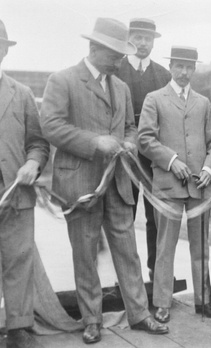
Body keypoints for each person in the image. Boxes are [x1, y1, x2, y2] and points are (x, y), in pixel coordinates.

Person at [40, 18, 168, 344]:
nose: (120, 60)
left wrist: (130, 141)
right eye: (114, 54)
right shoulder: (63, 80)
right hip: (81, 185)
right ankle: (91, 320)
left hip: (118, 184)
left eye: (121, 55)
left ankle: (140, 314)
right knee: (84, 255)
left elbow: (129, 127)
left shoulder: (121, 87)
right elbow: (51, 127)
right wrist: (94, 142)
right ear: (93, 48)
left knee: (128, 252)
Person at [137, 45, 211, 322]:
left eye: (189, 67)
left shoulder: (204, 102)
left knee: (200, 247)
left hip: (199, 186)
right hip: (168, 184)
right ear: (171, 66)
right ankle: (162, 302)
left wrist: (210, 167)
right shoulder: (154, 99)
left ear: (194, 69)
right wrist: (172, 160)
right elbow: (145, 139)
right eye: (179, 66)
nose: (184, 72)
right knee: (165, 246)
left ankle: (203, 300)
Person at [0, 19, 49, 348]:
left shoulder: (22, 94)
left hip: (15, 197)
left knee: (18, 260)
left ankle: (18, 327)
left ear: (4, 50)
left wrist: (32, 163)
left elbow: (39, 142)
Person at [115, 18, 171, 280]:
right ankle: (126, 276)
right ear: (129, 39)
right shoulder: (115, 71)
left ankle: (157, 271)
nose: (142, 43)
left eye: (147, 39)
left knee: (156, 217)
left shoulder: (163, 75)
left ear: (153, 42)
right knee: (123, 214)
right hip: (123, 155)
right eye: (137, 37)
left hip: (153, 157)